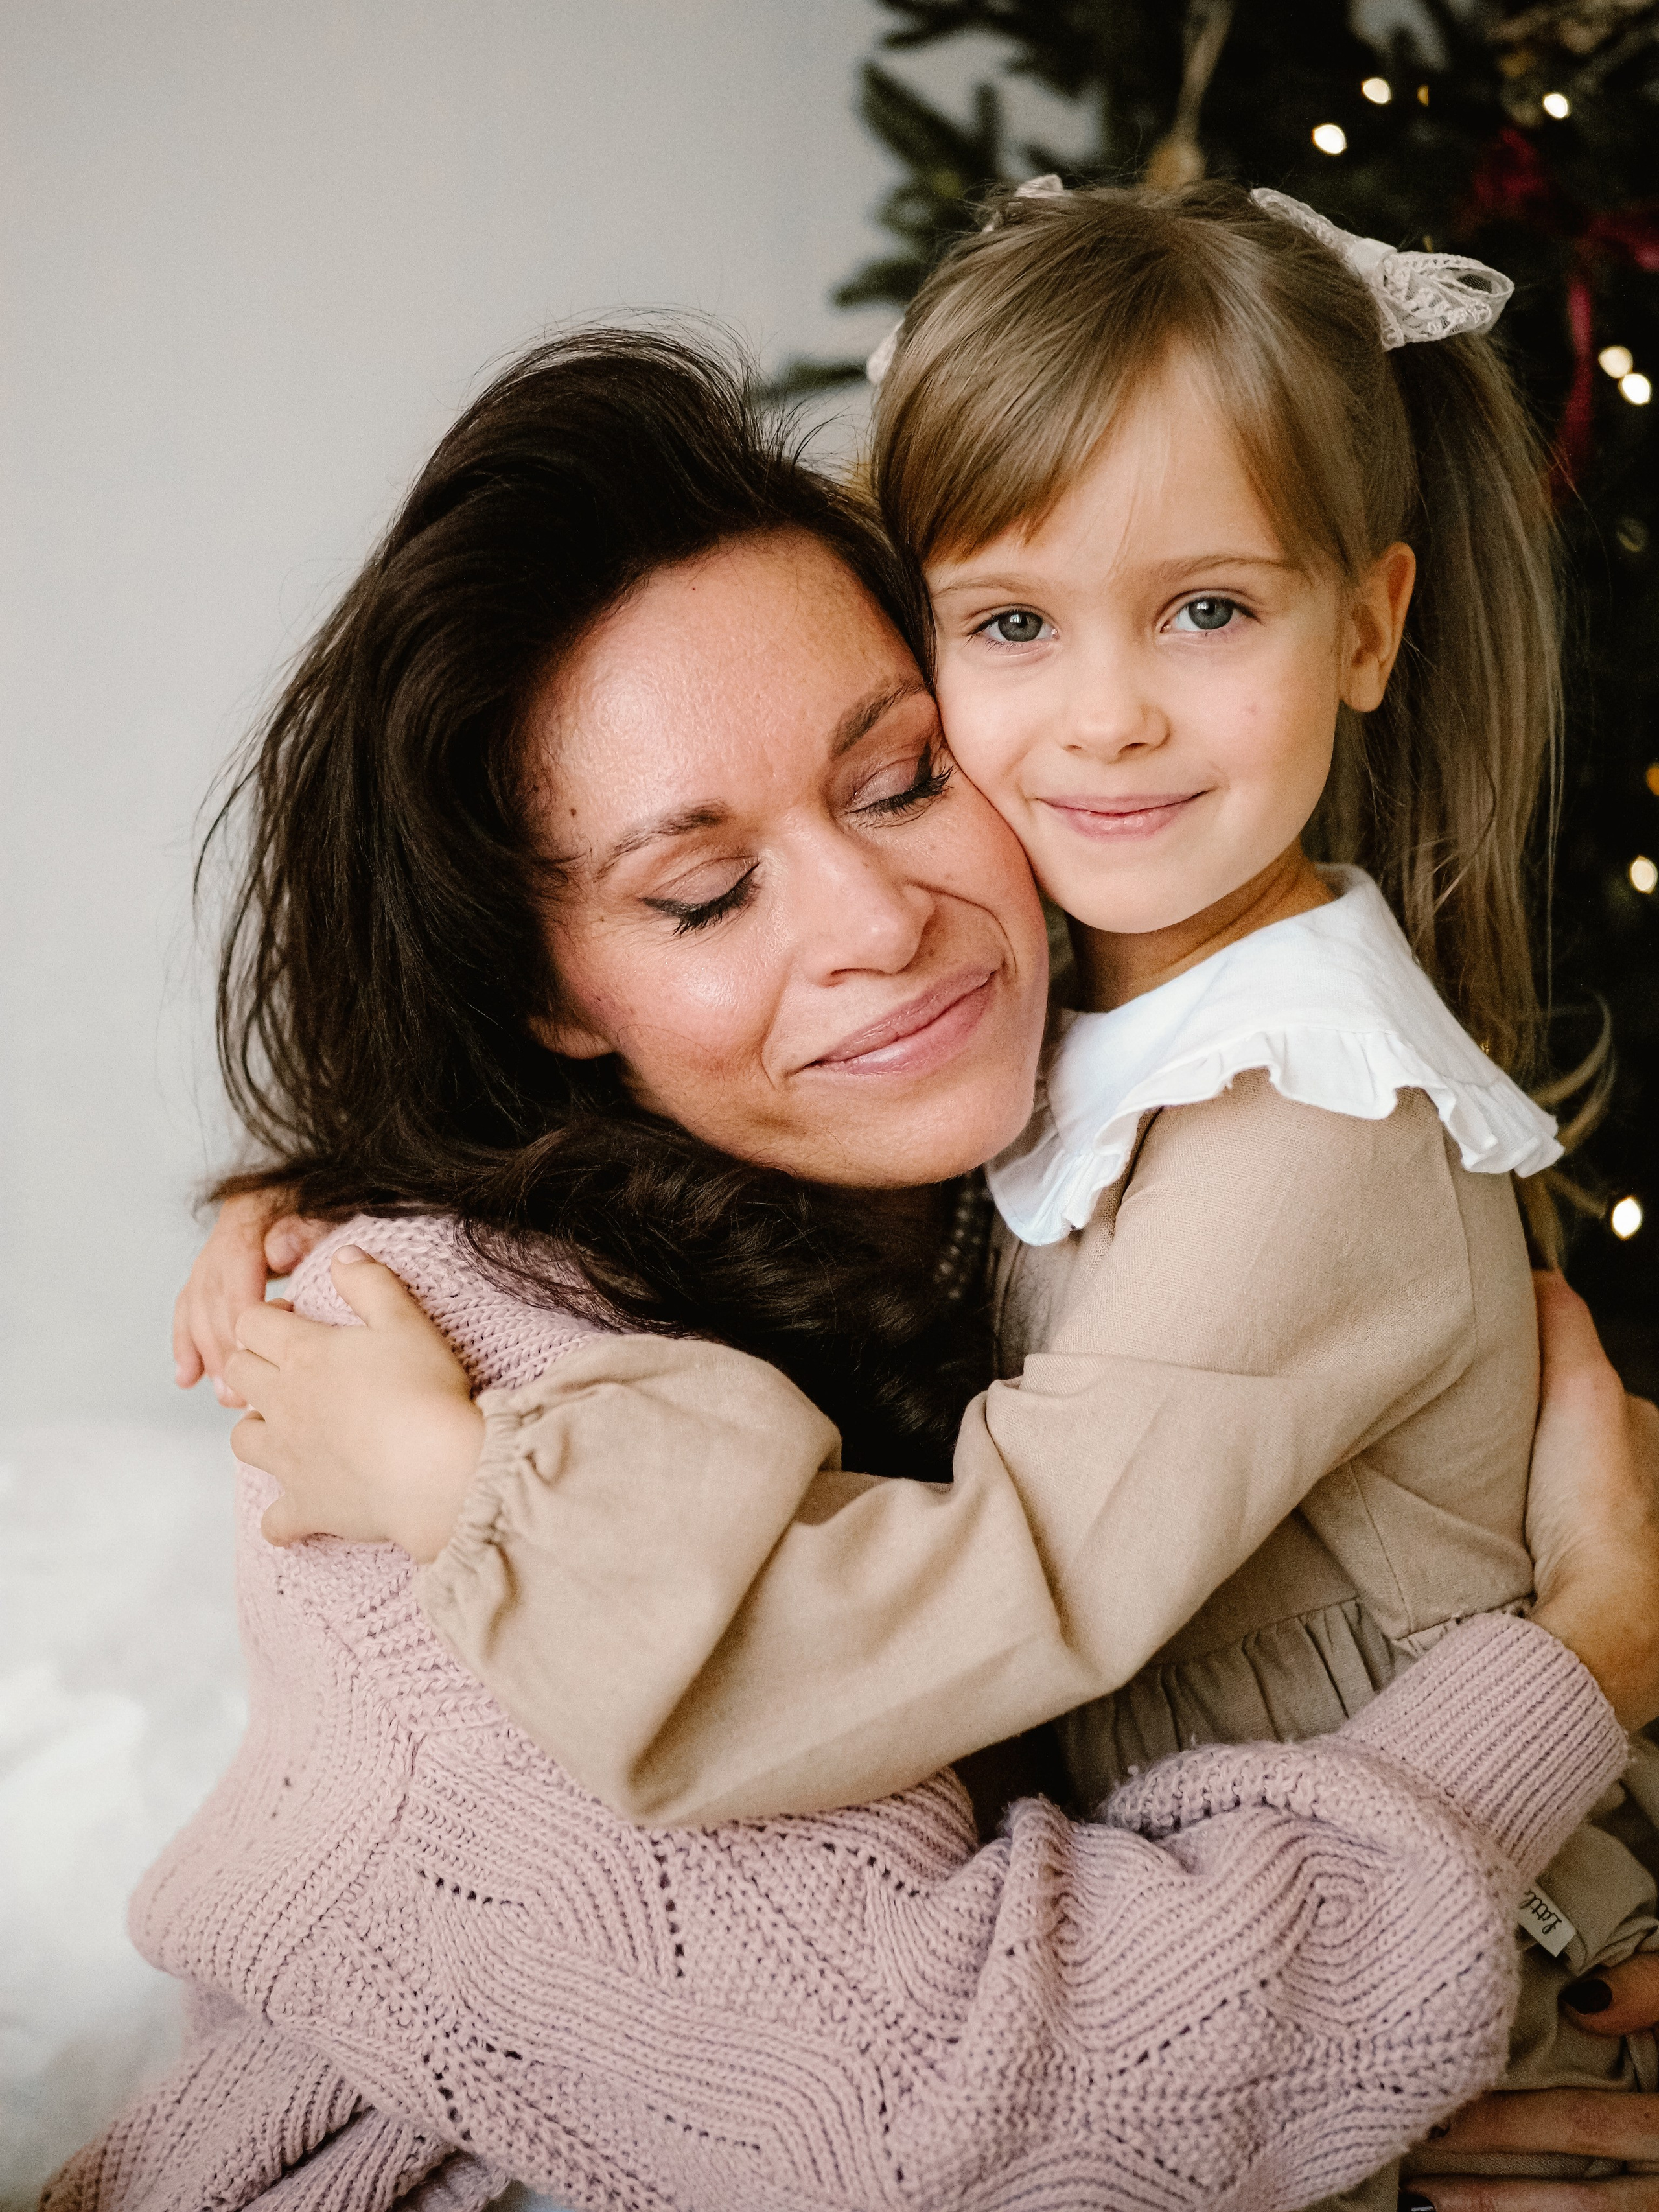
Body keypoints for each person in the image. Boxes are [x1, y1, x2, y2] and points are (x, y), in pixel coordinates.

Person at [213, 189, 1657, 2202]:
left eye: (896, 778)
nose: (884, 924)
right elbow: (928, 2137)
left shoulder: (1168, 1123)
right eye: (704, 892)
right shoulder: (412, 1357)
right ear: (529, 988)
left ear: (1368, 624)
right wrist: (1577, 1676)